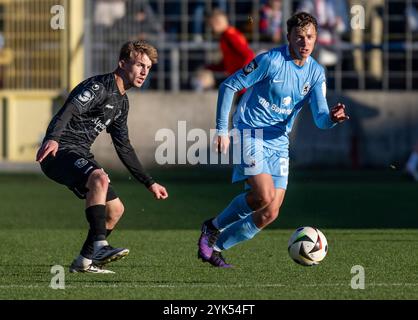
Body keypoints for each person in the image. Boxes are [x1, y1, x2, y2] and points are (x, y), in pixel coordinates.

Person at [197, 12, 349, 268]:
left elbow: (321, 119)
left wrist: (333, 118)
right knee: (263, 194)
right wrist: (222, 130)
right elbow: (228, 86)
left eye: (310, 36)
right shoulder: (271, 60)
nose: (305, 42)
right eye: (299, 36)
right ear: (288, 36)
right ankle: (212, 227)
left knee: (269, 211)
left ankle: (215, 246)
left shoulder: (316, 73)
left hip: (279, 141)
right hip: (250, 131)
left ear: (316, 39)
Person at [36, 40, 168, 274]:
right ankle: (99, 246)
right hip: (58, 151)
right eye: (139, 65)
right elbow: (69, 110)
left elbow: (123, 146)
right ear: (122, 63)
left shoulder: (122, 102)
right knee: (99, 178)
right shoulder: (99, 87)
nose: (144, 72)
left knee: (115, 210)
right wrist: (53, 138)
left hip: (80, 154)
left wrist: (149, 182)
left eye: (148, 67)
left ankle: (84, 262)